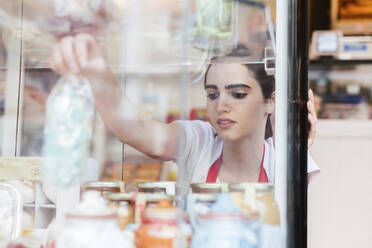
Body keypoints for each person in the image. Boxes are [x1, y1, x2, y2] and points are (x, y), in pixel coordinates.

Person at [49, 34, 319, 198]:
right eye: (213, 94)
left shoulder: (282, 157)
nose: (221, 105)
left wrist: (296, 142)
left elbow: (290, 214)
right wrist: (96, 70)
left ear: (270, 103)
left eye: (237, 94)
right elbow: (130, 128)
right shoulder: (199, 140)